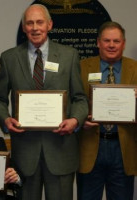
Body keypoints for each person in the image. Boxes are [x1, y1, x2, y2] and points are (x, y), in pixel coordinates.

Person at [0, 4, 88, 200]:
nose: (35, 28)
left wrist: (75, 120)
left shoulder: (69, 56)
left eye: (40, 22)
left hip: (61, 151)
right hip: (25, 154)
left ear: (49, 25)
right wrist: (6, 120)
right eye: (30, 23)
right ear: (24, 27)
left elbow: (80, 99)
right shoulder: (9, 58)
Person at [77, 21, 137, 200]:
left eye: (116, 41)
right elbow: (72, 102)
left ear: (123, 44)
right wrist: (80, 120)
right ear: (98, 43)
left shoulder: (135, 69)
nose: (111, 45)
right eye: (107, 40)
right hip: (90, 147)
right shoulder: (81, 67)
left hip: (123, 149)